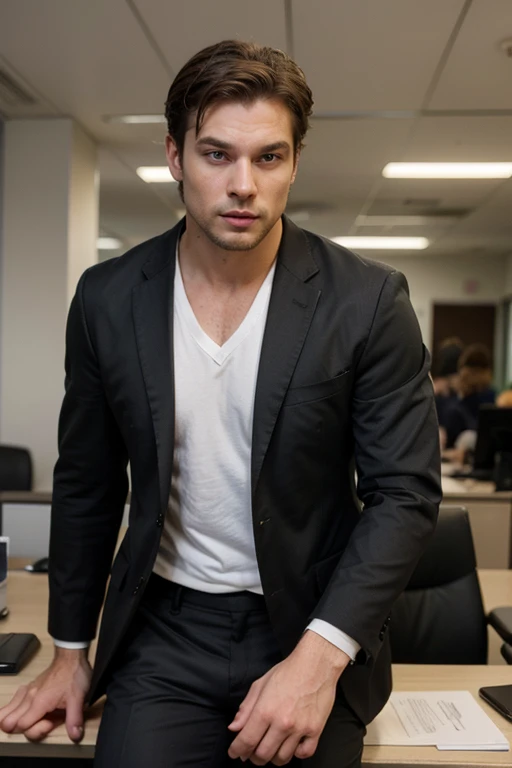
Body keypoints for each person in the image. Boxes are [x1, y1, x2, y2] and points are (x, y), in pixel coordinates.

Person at [0, 40, 441, 767]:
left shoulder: (367, 302)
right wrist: (70, 650)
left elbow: (405, 495)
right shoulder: (109, 300)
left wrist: (320, 659)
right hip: (166, 629)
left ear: (294, 162)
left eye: (269, 157)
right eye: (216, 155)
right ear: (175, 156)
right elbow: (87, 483)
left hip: (308, 620)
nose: (243, 184)